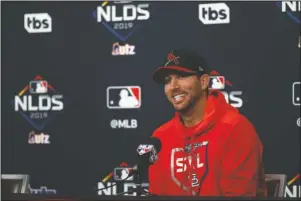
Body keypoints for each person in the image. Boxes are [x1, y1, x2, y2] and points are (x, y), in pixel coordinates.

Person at [148, 49, 266, 197]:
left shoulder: (236, 129)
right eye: (167, 81)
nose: (173, 86)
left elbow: (238, 195)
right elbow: (156, 194)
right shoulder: (161, 136)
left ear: (203, 82)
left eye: (181, 76)